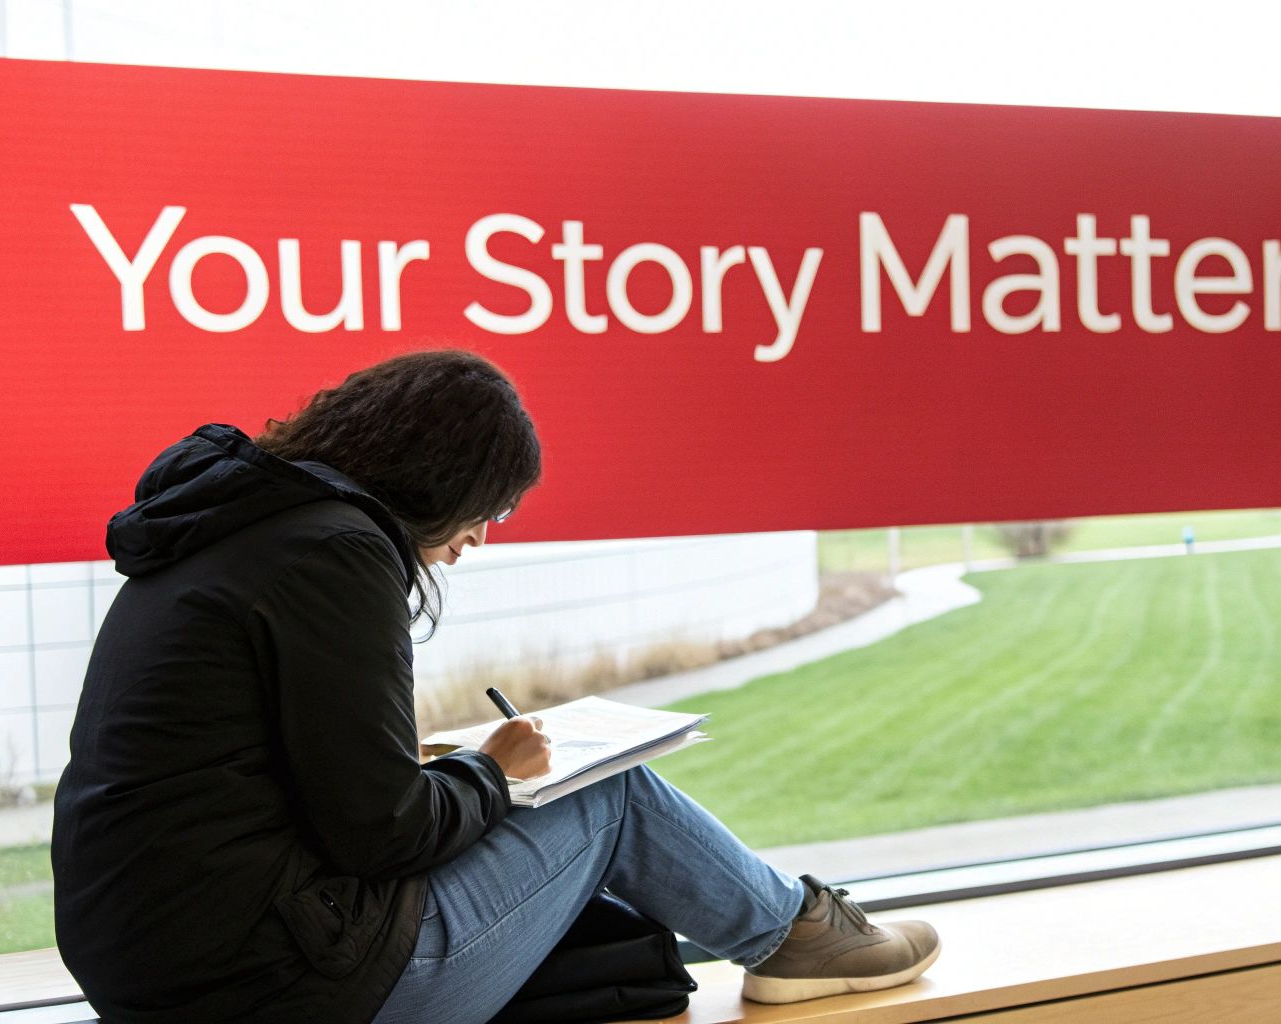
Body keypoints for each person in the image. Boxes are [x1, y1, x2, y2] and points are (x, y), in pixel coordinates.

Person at [51, 349, 940, 1024]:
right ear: (440, 479)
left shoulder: (227, 534)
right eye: (490, 506)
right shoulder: (337, 551)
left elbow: (272, 784)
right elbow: (380, 834)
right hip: (280, 989)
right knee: (610, 791)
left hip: (155, 976)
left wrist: (454, 772)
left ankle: (785, 924)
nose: (481, 536)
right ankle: (793, 936)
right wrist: (496, 773)